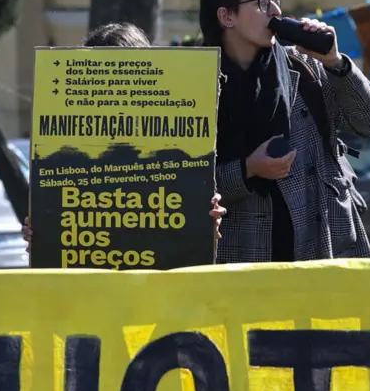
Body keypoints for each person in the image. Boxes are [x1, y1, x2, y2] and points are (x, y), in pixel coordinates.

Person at [203, 0, 370, 263]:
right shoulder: (201, 84)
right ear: (227, 16)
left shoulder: (305, 66)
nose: (275, 10)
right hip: (241, 255)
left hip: (320, 247)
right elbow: (183, 182)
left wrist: (336, 62)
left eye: (275, 0)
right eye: (262, 3)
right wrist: (248, 169)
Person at [22, 21, 225, 255]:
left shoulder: (181, 154)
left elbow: (190, 229)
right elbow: (51, 231)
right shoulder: (62, 159)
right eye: (101, 77)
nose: (114, 90)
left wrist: (205, 220)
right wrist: (40, 234)